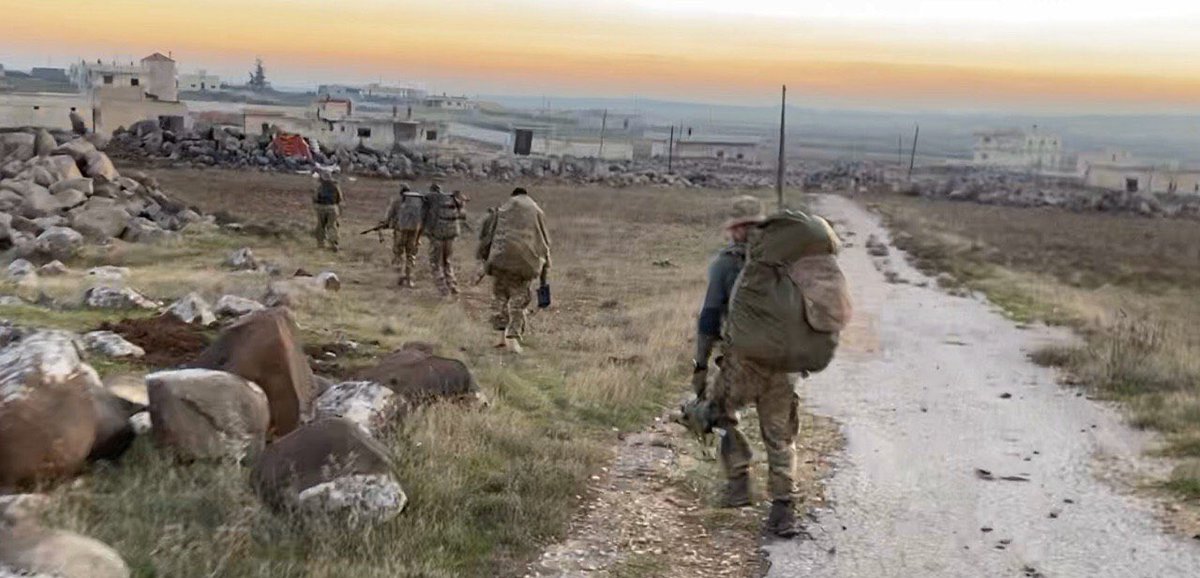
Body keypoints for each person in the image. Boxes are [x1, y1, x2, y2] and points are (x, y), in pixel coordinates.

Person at [693, 195, 802, 538]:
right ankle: (783, 509)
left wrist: (700, 363)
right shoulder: (789, 259)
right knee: (779, 434)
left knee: (716, 413)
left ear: (737, 228)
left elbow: (710, 317)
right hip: (783, 363)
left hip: (742, 365)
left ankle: (739, 482)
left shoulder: (725, 264)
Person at [479, 187, 550, 354]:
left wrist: (486, 262)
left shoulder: (502, 211)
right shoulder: (536, 212)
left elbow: (488, 237)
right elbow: (544, 243)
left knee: (500, 298)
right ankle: (513, 339)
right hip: (524, 264)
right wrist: (544, 274)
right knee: (518, 301)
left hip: (499, 262)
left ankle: (500, 337)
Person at [422, 183, 468, 296]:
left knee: (435, 263)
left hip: (438, 235)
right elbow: (462, 215)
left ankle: (443, 288)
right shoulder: (451, 199)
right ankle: (453, 285)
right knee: (447, 261)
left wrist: (427, 232)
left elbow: (427, 217)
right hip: (451, 235)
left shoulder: (432, 199)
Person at [384, 182, 425, 287]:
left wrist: (386, 223)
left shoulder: (397, 201)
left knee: (398, 254)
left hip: (400, 231)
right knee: (410, 255)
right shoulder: (416, 203)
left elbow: (389, 215)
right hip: (414, 231)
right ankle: (409, 278)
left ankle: (399, 276)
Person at [313, 168, 343, 252]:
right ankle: (334, 243)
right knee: (332, 226)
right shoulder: (335, 185)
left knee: (320, 225)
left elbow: (315, 197)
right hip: (332, 207)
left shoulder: (319, 186)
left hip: (321, 207)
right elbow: (339, 198)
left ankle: (320, 243)